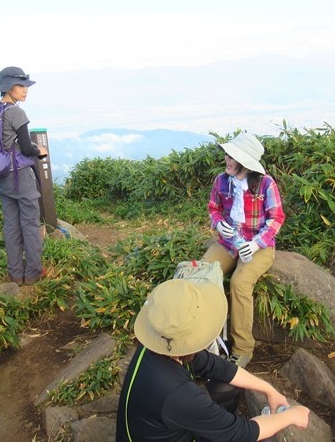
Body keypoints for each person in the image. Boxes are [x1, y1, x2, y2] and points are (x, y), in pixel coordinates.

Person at [115, 278, 309, 442]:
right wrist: (291, 415)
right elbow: (241, 433)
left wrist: (268, 389)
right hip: (170, 421)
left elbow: (218, 367)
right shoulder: (178, 395)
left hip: (159, 426)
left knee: (229, 387)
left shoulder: (158, 344)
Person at [202, 132, 285, 368]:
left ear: (245, 162)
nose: (227, 158)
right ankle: (209, 340)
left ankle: (243, 349)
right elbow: (213, 207)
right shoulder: (221, 180)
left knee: (239, 283)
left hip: (259, 246)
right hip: (228, 243)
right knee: (206, 274)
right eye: (228, 154)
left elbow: (277, 217)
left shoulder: (266, 183)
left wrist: (256, 243)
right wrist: (218, 223)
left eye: (232, 156)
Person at [0, 66, 47, 285]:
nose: (25, 90)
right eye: (20, 86)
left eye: (26, 86)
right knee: (30, 223)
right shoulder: (15, 112)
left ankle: (15, 274)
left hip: (1, 175)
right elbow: (26, 148)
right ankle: (33, 272)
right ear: (8, 88)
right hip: (20, 176)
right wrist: (39, 151)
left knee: (11, 225)